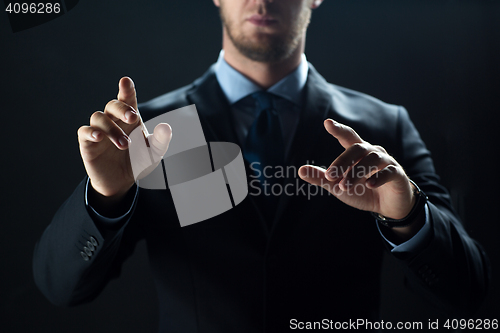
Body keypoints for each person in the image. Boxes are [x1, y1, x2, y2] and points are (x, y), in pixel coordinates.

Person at [33, 0, 490, 332]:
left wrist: (408, 216)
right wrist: (105, 198)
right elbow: (59, 287)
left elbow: (468, 292)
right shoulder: (153, 131)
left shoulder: (382, 128)